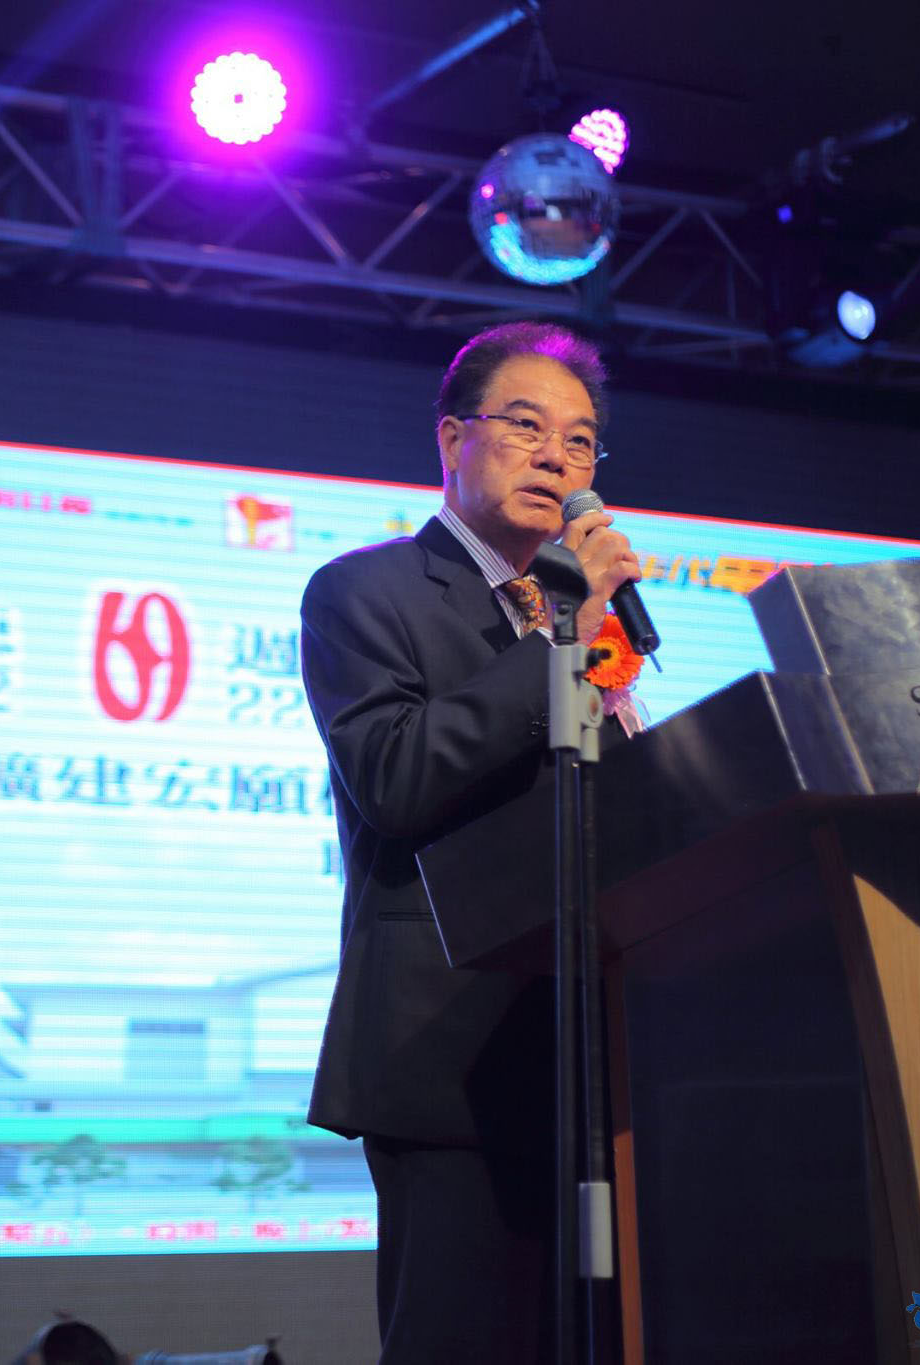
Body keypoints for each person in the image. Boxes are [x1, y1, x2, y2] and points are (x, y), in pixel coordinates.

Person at [299, 322, 642, 1364]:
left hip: (602, 1063)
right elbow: (396, 779)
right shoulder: (367, 593)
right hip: (450, 1064)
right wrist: (559, 638)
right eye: (526, 427)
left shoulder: (593, 625)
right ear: (453, 439)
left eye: (579, 442)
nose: (556, 459)